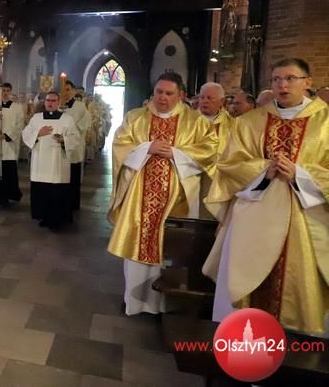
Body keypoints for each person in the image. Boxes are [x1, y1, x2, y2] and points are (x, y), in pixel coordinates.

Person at [203, 58, 329, 337]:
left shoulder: (325, 122)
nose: (282, 85)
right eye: (276, 79)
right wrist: (263, 170)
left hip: (305, 220)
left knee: (298, 286)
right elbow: (229, 164)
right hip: (254, 216)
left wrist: (300, 174)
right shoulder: (251, 121)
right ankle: (240, 342)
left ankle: (298, 349)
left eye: (290, 78)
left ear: (307, 83)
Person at [108, 72, 217, 315]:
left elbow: (210, 150)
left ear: (180, 95)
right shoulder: (136, 117)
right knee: (136, 248)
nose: (163, 98)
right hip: (140, 197)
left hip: (177, 198)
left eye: (169, 93)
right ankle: (135, 302)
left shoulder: (196, 121)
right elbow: (119, 145)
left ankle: (165, 305)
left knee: (171, 248)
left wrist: (176, 153)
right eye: (159, 92)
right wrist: (147, 148)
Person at [22, 91, 79, 231]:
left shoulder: (67, 119)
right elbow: (26, 133)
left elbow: (75, 137)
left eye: (53, 101)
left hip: (58, 161)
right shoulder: (36, 118)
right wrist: (38, 134)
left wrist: (64, 140)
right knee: (42, 191)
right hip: (40, 161)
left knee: (57, 191)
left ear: (59, 103)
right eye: (48, 100)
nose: (50, 103)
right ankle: (44, 216)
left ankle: (57, 219)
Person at [64, 81, 92, 211]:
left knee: (74, 175)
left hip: (75, 144)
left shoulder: (80, 106)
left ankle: (73, 203)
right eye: (64, 89)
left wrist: (73, 130)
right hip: (60, 145)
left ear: (74, 91)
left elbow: (86, 121)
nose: (66, 92)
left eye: (68, 89)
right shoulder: (58, 104)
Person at [198, 82, 235, 157]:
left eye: (209, 98)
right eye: (202, 97)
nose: (205, 101)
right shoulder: (187, 121)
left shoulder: (233, 125)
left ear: (222, 101)